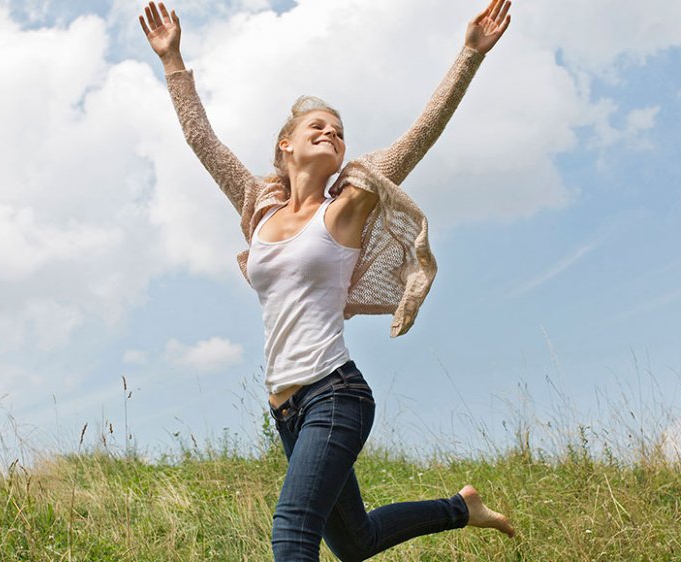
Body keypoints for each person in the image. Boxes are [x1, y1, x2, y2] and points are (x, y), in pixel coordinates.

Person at [140, 1, 517, 559]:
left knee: (292, 532)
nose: (332, 134)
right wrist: (172, 61)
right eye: (318, 127)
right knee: (354, 542)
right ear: (285, 146)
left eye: (339, 132)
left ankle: (459, 509)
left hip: (334, 394)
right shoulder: (260, 209)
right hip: (286, 410)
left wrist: (468, 56)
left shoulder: (349, 205)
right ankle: (462, 508)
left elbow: (420, 135)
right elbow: (205, 143)